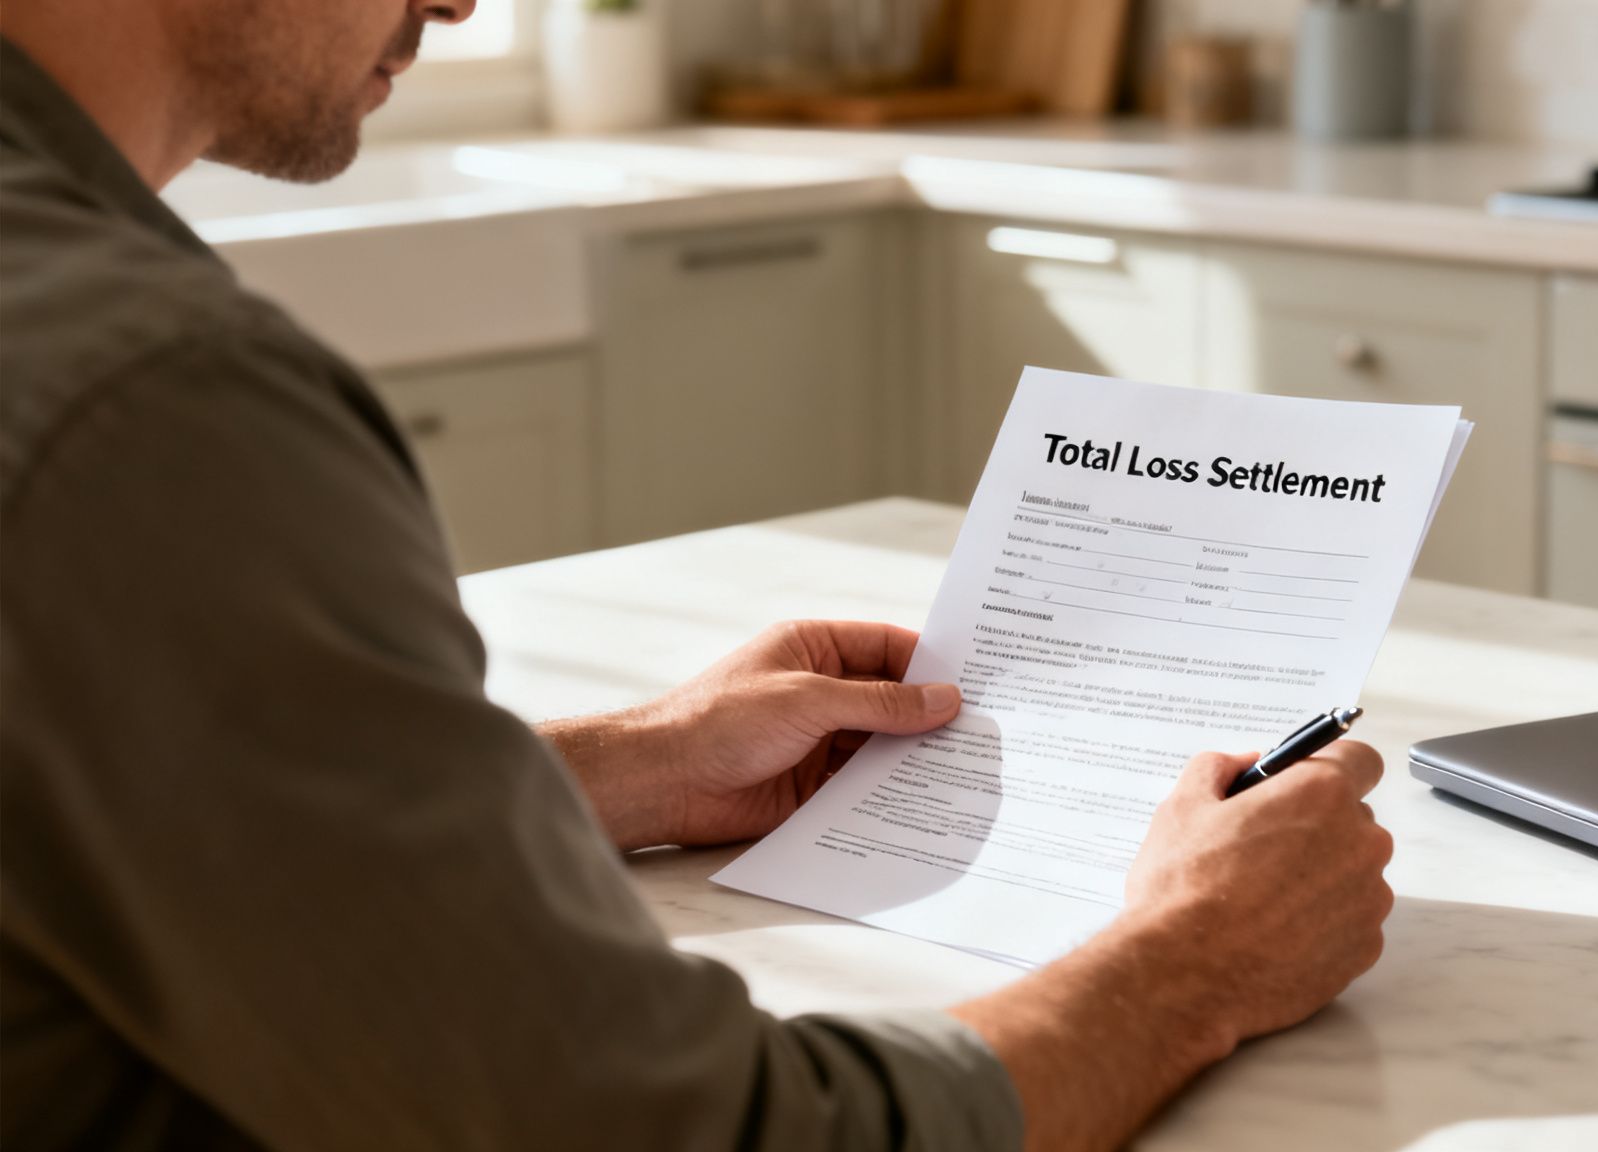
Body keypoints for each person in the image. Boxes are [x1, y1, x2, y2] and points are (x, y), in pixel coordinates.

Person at [0, 2, 1397, 1149]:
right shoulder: (153, 399)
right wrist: (1193, 961)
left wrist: (632, 766)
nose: (458, 5)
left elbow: (115, 805)